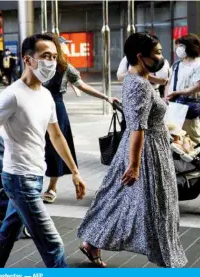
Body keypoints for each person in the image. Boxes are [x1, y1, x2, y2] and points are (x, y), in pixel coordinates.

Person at [0, 33, 87, 268]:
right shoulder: (12, 95)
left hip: (35, 176)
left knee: (7, 235)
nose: (51, 61)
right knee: (53, 245)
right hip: (19, 180)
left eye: (54, 56)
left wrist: (75, 171)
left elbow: (56, 135)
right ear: (28, 60)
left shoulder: (46, 96)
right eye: (45, 56)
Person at [77, 32, 187, 268]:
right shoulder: (139, 85)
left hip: (147, 147)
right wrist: (134, 166)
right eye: (156, 53)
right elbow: (137, 128)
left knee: (117, 198)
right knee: (158, 205)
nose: (161, 57)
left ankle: (92, 242)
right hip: (146, 152)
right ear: (140, 56)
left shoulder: (135, 77)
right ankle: (167, 259)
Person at [41, 35, 119, 204]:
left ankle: (52, 187)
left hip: (56, 107)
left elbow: (81, 85)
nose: (68, 48)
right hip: (36, 107)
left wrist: (106, 97)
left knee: (55, 148)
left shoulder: (65, 67)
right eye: (65, 45)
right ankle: (35, 184)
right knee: (39, 146)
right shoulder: (38, 64)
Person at [166, 34, 200, 144]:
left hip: (189, 104)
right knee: (178, 138)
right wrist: (166, 97)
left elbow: (199, 87)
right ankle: (186, 160)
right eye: (178, 45)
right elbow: (168, 82)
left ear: (191, 47)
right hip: (174, 104)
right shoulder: (176, 64)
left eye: (181, 45)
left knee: (192, 137)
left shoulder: (198, 65)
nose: (178, 48)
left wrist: (177, 92)